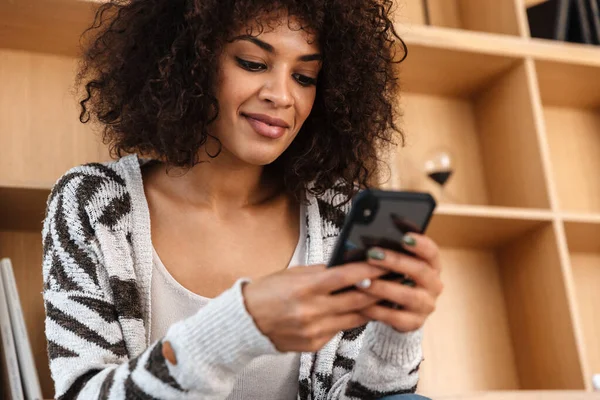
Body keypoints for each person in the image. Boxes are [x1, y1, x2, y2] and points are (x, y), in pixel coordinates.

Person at [41, 0, 444, 398]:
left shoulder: (338, 214)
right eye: (253, 63)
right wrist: (239, 325)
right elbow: (84, 393)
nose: (282, 96)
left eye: (305, 76)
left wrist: (397, 332)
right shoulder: (94, 203)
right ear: (190, 62)